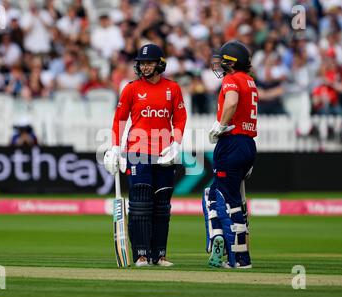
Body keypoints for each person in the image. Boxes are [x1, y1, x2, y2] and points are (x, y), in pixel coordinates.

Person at [104, 44, 187, 267]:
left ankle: (159, 254)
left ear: (160, 63)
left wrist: (176, 143)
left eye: (149, 62)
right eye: (141, 62)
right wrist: (115, 148)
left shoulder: (173, 88)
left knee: (162, 207)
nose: (144, 66)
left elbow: (179, 118)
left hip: (164, 154)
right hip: (137, 152)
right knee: (140, 205)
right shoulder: (131, 88)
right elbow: (119, 119)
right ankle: (141, 254)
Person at [203, 41, 257, 269]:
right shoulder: (250, 81)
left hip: (232, 142)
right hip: (248, 144)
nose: (220, 64)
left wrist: (220, 125)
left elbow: (232, 102)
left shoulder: (232, 79)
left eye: (224, 60)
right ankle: (241, 256)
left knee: (218, 198)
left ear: (231, 62)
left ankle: (223, 242)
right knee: (233, 200)